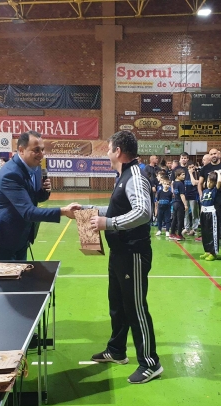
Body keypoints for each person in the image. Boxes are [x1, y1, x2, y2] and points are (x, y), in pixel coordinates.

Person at [84, 130, 162, 384]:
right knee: (117, 304)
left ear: (118, 151)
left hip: (133, 253)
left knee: (136, 308)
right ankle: (117, 350)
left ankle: (150, 363)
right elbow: (117, 210)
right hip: (119, 252)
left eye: (108, 149)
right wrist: (87, 211)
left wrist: (108, 223)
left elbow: (143, 212)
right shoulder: (122, 176)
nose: (107, 154)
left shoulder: (135, 176)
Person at [0, 131, 80, 261]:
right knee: (7, 273)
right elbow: (28, 212)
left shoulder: (35, 167)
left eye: (42, 150)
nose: (41, 154)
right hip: (2, 235)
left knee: (22, 272)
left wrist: (44, 191)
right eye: (36, 150)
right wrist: (63, 211)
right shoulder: (10, 174)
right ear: (22, 150)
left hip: (21, 234)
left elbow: (35, 198)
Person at [199, 148, 221, 249]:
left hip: (220, 196)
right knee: (209, 220)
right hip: (209, 198)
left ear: (219, 154)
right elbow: (200, 183)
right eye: (211, 154)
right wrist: (201, 195)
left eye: (215, 153)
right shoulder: (205, 168)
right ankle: (211, 240)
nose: (213, 155)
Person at [199, 172, 221, 261]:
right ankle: (207, 251)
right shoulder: (204, 191)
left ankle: (213, 253)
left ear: (214, 183)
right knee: (205, 233)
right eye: (208, 181)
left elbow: (219, 182)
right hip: (204, 213)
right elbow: (202, 203)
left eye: (211, 182)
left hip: (211, 213)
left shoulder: (215, 190)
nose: (209, 183)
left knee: (212, 233)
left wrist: (218, 173)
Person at [169, 168, 187, 241]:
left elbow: (173, 191)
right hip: (179, 203)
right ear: (177, 176)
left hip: (175, 202)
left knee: (174, 219)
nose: (184, 176)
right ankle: (179, 235)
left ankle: (172, 233)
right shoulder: (180, 184)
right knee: (180, 219)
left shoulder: (174, 183)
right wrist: (185, 204)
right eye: (182, 175)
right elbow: (182, 195)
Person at [183, 161, 200, 236]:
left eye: (193, 167)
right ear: (187, 168)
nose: (192, 169)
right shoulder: (184, 174)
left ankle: (194, 228)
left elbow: (194, 183)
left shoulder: (197, 174)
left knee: (194, 213)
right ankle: (186, 228)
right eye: (190, 167)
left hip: (193, 196)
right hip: (186, 196)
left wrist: (191, 174)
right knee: (186, 213)